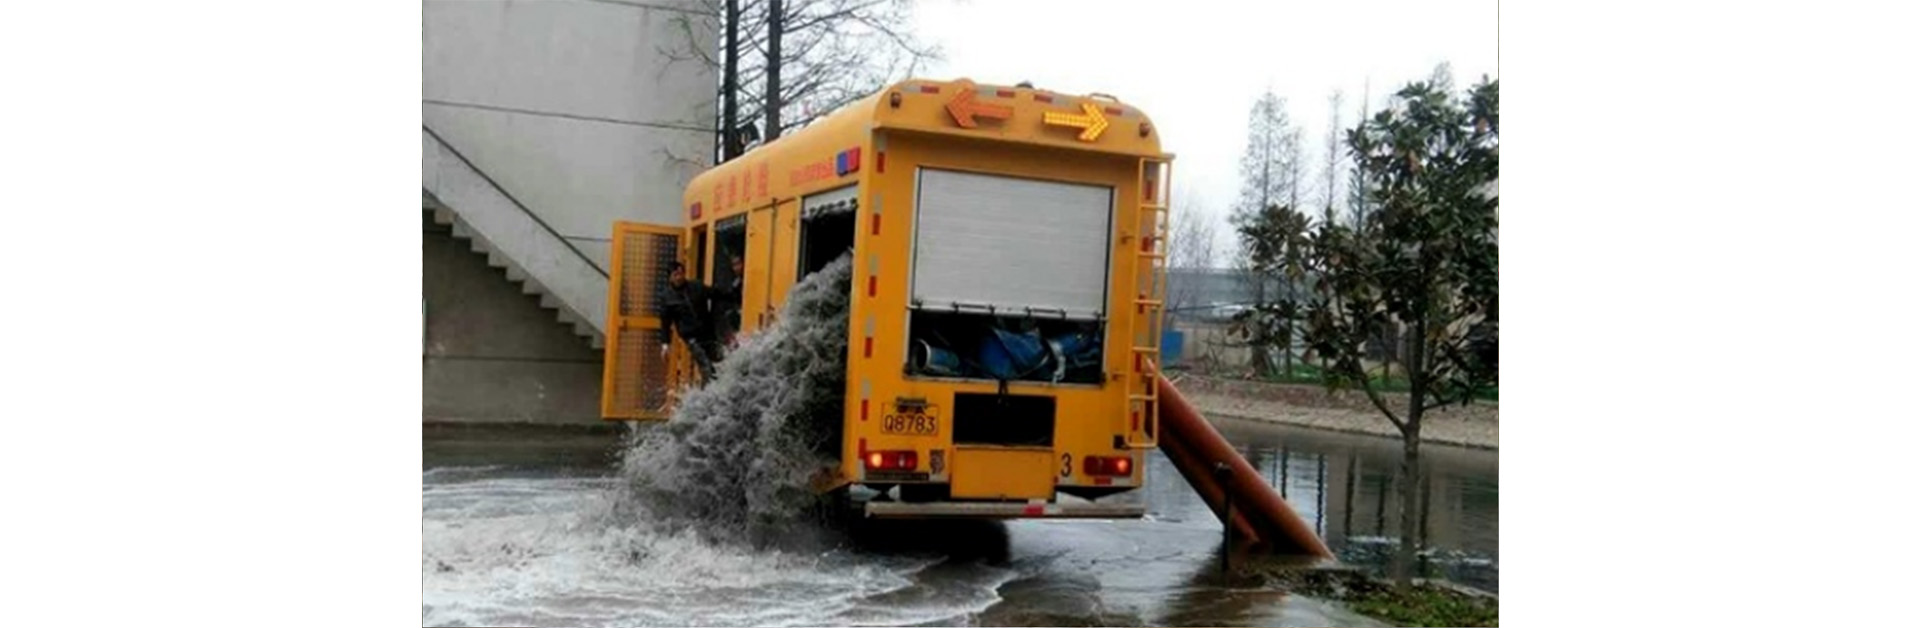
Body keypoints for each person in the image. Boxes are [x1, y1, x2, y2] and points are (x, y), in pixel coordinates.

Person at [659, 261, 720, 385]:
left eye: (681, 274)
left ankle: (710, 387)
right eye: (675, 275)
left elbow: (714, 294)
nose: (679, 277)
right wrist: (665, 344)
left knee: (717, 362)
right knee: (705, 364)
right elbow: (665, 322)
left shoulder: (696, 286)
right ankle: (709, 392)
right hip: (691, 337)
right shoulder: (667, 297)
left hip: (707, 332)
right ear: (670, 277)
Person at [712, 253, 745, 346]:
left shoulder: (746, 280)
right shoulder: (735, 284)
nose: (737, 268)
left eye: (738, 264)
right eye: (734, 265)